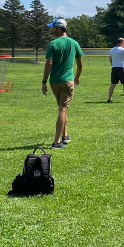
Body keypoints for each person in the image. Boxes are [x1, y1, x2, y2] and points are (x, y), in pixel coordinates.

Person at [41, 18, 83, 149]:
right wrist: (77, 77)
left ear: (59, 28)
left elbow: (49, 64)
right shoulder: (74, 43)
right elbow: (80, 64)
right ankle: (57, 142)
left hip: (54, 81)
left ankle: (65, 135)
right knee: (63, 109)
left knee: (62, 108)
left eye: (53, 27)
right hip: (67, 80)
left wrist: (44, 81)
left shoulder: (53, 44)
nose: (52, 30)